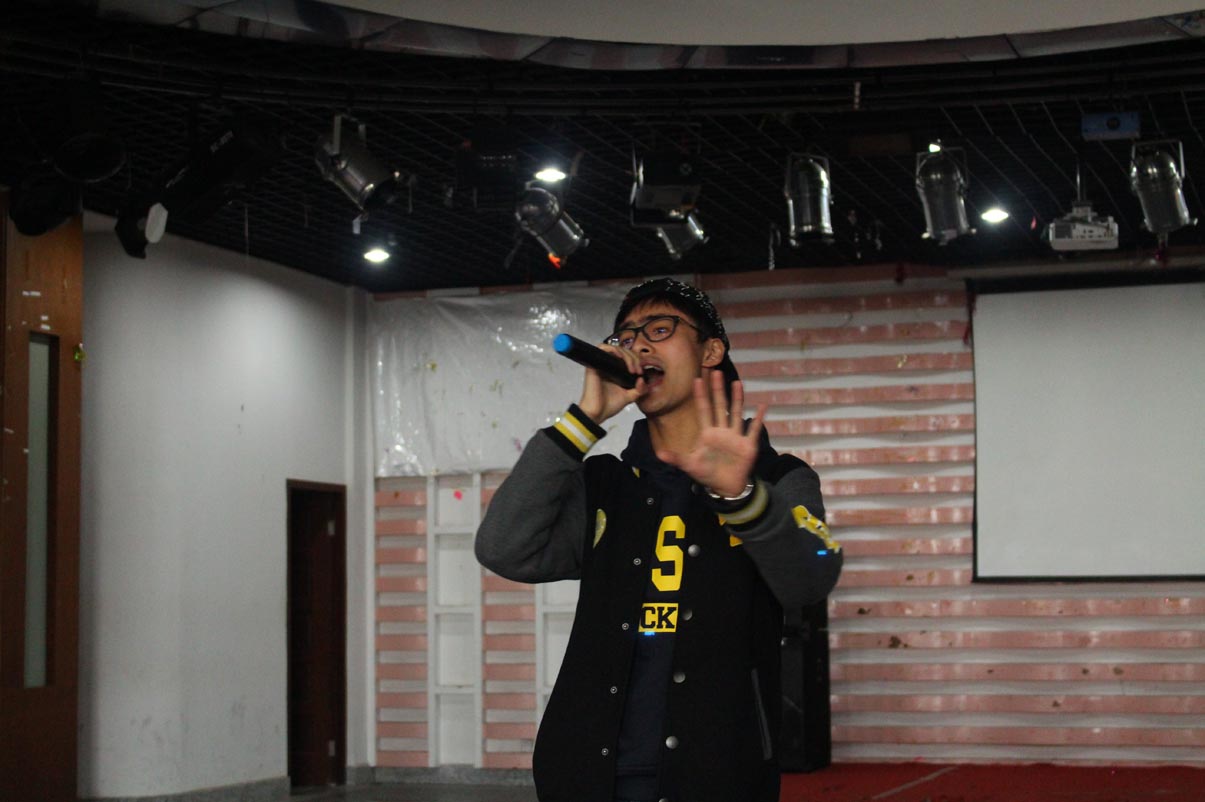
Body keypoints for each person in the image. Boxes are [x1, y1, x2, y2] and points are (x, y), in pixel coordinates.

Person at [475, 278, 842, 802]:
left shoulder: (778, 478)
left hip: (719, 774)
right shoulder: (605, 484)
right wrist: (583, 422)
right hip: (586, 774)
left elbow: (811, 575)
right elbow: (503, 547)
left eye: (660, 329)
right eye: (626, 337)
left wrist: (741, 497)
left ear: (710, 351)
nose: (638, 345)